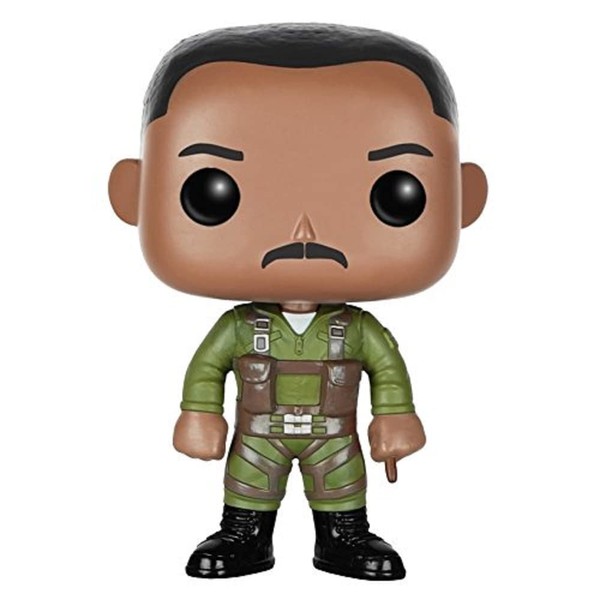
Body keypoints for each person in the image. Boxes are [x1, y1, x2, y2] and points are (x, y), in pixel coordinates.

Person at [108, 23, 487, 580]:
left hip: (334, 439)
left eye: (395, 194)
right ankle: (244, 535)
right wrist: (199, 411)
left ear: (464, 198)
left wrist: (396, 415)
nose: (303, 230)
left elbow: (386, 369)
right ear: (133, 194)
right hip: (258, 436)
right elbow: (208, 367)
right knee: (249, 482)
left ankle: (344, 537)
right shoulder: (241, 327)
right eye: (211, 192)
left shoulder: (357, 330)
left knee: (341, 484)